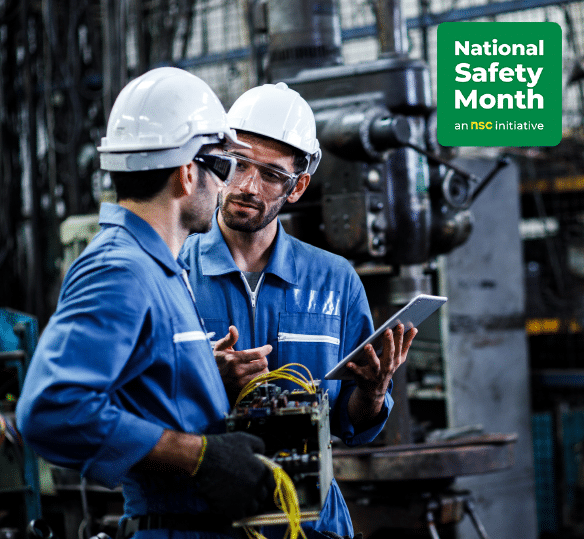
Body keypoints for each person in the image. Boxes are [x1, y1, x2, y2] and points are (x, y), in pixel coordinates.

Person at [16, 67, 277, 539]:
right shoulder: (121, 269)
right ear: (188, 172)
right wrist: (200, 456)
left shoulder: (160, 267)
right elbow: (51, 408)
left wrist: (196, 373)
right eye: (222, 167)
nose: (225, 186)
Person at [179, 82, 418, 539]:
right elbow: (138, 405)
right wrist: (208, 378)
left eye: (271, 175)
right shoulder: (176, 270)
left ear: (298, 187)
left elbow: (353, 424)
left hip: (311, 521)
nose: (247, 186)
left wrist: (372, 392)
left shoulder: (334, 280)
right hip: (208, 520)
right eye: (239, 164)